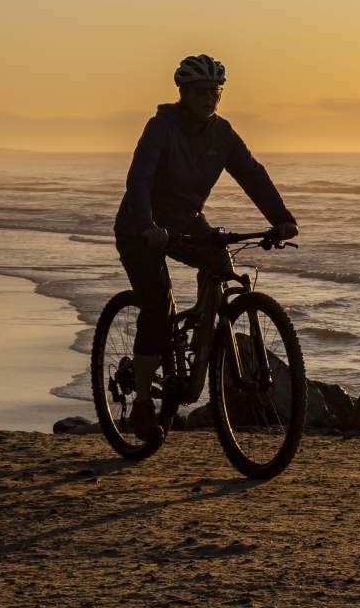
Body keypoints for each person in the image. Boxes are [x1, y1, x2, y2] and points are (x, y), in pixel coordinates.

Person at [113, 54, 299, 441]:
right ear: (183, 92)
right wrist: (147, 226)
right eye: (201, 92)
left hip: (185, 221)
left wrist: (280, 218)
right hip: (140, 225)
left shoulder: (222, 133)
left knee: (220, 260)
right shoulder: (160, 128)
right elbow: (140, 180)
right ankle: (145, 402)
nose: (210, 99)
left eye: (216, 92)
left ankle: (200, 341)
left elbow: (252, 173)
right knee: (157, 305)